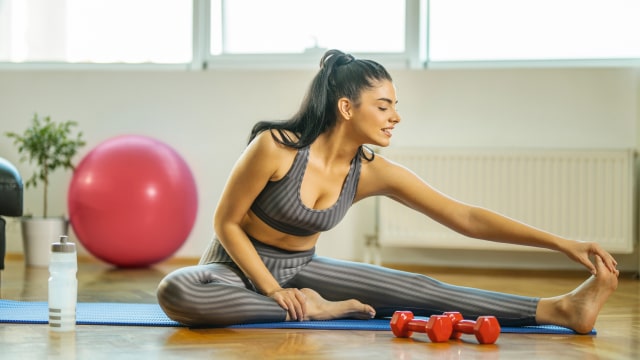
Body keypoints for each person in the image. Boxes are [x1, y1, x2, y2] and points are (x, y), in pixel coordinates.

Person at [157, 49, 619, 333]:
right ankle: (314, 311)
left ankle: (559, 310)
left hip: (305, 267)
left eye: (396, 105)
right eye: (383, 105)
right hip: (233, 269)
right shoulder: (275, 147)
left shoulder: (372, 171)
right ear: (346, 107)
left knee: (418, 287)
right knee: (178, 291)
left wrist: (561, 243)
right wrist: (273, 289)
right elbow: (226, 223)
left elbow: (465, 217)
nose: (395, 116)